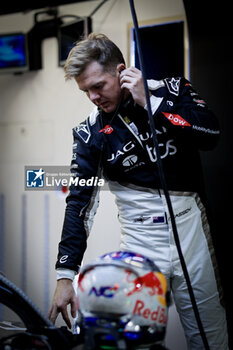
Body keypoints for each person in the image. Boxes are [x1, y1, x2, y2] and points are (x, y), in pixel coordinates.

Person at [48, 33, 229, 349]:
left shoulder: (170, 90)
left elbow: (210, 133)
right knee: (130, 341)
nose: (92, 97)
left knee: (209, 339)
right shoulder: (89, 134)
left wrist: (152, 103)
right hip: (140, 243)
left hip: (193, 237)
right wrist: (66, 275)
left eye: (98, 86)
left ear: (121, 71)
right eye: (85, 91)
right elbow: (79, 200)